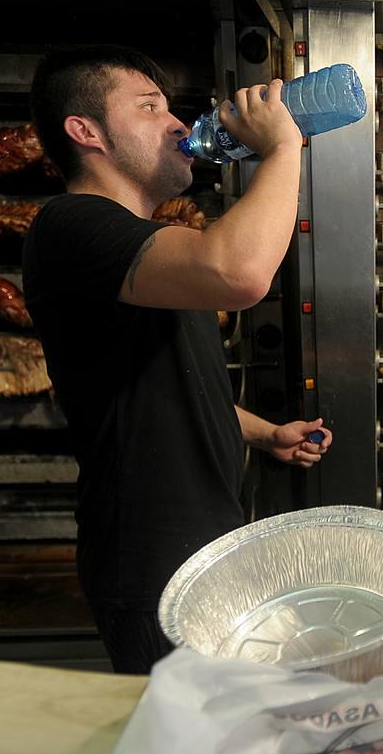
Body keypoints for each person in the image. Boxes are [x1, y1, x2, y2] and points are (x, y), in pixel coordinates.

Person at [23, 46, 332, 673]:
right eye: (150, 108)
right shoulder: (70, 224)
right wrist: (281, 147)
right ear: (86, 133)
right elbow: (240, 274)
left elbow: (164, 382)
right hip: (149, 565)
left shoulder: (151, 246)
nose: (177, 125)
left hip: (201, 551)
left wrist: (264, 432)